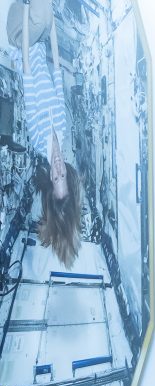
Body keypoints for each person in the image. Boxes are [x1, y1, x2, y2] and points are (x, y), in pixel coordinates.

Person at [8, 0, 81, 268]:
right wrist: (51, 31)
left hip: (20, 37)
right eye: (64, 175)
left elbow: (27, 65)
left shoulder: (37, 136)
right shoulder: (61, 129)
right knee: (48, 15)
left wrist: (28, 12)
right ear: (68, 174)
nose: (59, 169)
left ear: (50, 177)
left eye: (55, 176)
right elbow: (57, 73)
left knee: (42, 11)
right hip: (39, 39)